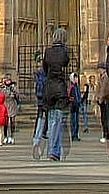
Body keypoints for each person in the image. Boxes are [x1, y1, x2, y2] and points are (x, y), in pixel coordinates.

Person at [37, 26, 70, 160]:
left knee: (51, 120)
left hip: (49, 89)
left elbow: (45, 69)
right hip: (59, 88)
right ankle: (54, 151)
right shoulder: (64, 51)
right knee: (57, 120)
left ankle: (50, 148)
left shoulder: (47, 52)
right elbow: (66, 63)